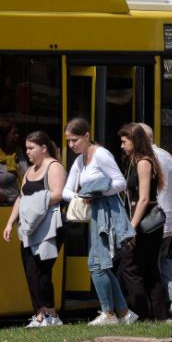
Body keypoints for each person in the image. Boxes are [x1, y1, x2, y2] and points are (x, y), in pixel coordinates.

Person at [62, 117, 137, 326]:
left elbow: (120, 183)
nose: (71, 145)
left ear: (87, 136)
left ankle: (109, 313)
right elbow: (66, 191)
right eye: (68, 141)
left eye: (75, 140)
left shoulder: (101, 155)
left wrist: (99, 192)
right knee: (101, 264)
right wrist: (80, 196)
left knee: (96, 265)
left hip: (107, 214)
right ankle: (122, 313)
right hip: (93, 214)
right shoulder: (79, 160)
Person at [2, 131, 67, 328]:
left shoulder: (54, 167)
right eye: (27, 148)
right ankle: (39, 315)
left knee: (41, 270)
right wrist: (10, 223)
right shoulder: (29, 171)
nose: (27, 152)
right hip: (29, 227)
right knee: (30, 270)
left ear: (44, 148)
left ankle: (52, 315)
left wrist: (33, 202)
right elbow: (21, 198)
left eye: (31, 148)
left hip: (49, 226)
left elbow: (58, 194)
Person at [116, 123, 169, 321]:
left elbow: (144, 198)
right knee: (149, 268)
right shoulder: (138, 161)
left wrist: (132, 226)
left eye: (124, 141)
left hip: (144, 221)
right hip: (146, 222)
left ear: (135, 140)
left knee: (129, 267)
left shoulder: (143, 162)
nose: (122, 146)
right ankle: (158, 316)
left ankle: (142, 314)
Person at [138, 124, 172, 315]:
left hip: (156, 218)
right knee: (162, 258)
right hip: (171, 216)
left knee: (150, 262)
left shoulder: (149, 158)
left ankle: (159, 303)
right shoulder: (166, 154)